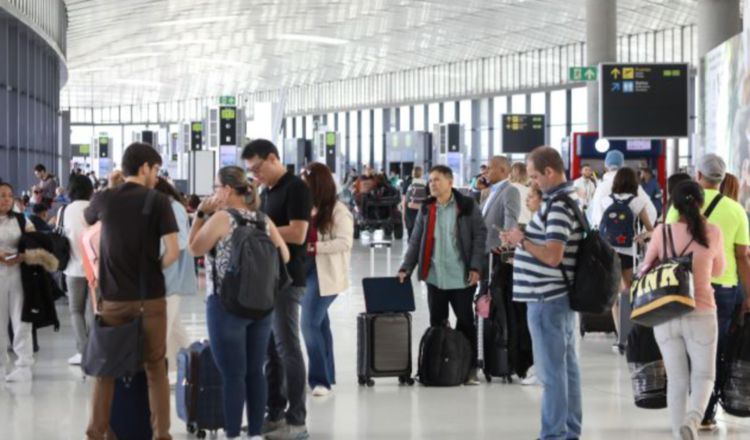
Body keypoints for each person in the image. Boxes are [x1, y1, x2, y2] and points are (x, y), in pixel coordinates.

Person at [83, 142, 180, 440]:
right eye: (156, 169)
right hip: (149, 300)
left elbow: (89, 220)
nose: (157, 176)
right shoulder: (158, 201)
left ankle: (95, 434)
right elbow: (173, 251)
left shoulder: (104, 199)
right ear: (144, 168)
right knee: (155, 371)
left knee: (106, 372)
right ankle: (161, 435)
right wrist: (152, 270)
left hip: (112, 301)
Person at [188, 166, 289, 440]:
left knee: (233, 374)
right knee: (255, 371)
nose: (214, 192)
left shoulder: (222, 218)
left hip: (226, 305)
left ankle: (233, 434)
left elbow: (194, 248)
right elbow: (286, 255)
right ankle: (254, 433)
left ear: (227, 190)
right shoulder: (262, 219)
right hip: (262, 305)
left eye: (216, 186)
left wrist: (199, 214)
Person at [500, 146, 583, 440]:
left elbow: (552, 255)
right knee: (566, 369)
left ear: (550, 172)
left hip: (547, 299)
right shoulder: (561, 200)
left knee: (551, 374)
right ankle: (568, 430)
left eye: (535, 176)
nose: (532, 182)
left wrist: (522, 241)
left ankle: (553, 434)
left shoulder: (558, 205)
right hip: (553, 298)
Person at [663, 155, 750, 431]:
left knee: (683, 354)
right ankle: (705, 413)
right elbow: (743, 257)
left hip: (682, 287)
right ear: (722, 179)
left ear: (698, 175)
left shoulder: (677, 208)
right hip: (722, 290)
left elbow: (667, 246)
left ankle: (686, 415)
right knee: (713, 352)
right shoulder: (736, 210)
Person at [640, 180, 725, 439]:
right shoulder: (713, 232)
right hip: (701, 311)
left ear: (673, 204)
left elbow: (645, 269)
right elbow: (719, 271)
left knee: (676, 380)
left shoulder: (662, 233)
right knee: (704, 375)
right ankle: (693, 419)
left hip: (666, 312)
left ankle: (680, 434)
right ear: (701, 202)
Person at [242, 139, 312, 440]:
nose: (256, 176)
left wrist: (257, 227)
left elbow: (298, 233)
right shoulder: (268, 191)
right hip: (268, 280)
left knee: (288, 348)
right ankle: (275, 413)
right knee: (271, 351)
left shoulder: (296, 188)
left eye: (258, 168)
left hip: (288, 280)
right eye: (251, 172)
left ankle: (297, 422)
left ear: (273, 158)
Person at [398, 165, 487, 385]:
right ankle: (438, 365)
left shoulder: (467, 205)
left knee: (465, 321)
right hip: (435, 276)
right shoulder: (427, 208)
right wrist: (406, 268)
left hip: (461, 276)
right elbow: (416, 240)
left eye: (437, 180)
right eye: (430, 180)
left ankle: (469, 369)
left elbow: (479, 236)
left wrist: (476, 267)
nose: (433, 184)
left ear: (450, 181)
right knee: (437, 321)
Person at [300, 163, 353, 397]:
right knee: (320, 325)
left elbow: (345, 242)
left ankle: (319, 380)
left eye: (306, 181)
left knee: (308, 324)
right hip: (303, 271)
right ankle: (328, 374)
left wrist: (314, 247)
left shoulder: (338, 210)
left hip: (325, 274)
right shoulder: (303, 207)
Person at [601, 167, 654, 347]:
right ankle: (632, 334)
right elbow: (650, 229)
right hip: (627, 252)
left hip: (609, 252)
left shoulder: (606, 201)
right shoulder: (637, 202)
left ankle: (620, 338)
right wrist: (641, 237)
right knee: (629, 292)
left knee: (615, 296)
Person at [154, 177, 197, 383]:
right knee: (174, 330)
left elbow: (179, 243)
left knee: (162, 329)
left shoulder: (173, 208)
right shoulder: (169, 207)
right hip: (167, 277)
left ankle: (163, 375)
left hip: (169, 277)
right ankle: (195, 369)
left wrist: (156, 258)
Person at [0, 182, 36, 382]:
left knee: (21, 320)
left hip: (19, 275)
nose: (5, 199)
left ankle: (24, 365)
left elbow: (35, 242)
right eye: (1, 195)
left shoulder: (22, 220)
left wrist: (25, 255)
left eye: (8, 195)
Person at [61, 175, 95, 366]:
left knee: (76, 310)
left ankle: (82, 352)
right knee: (92, 309)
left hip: (72, 268)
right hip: (94, 268)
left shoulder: (65, 210)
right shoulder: (93, 209)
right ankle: (93, 349)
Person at [588, 150, 657, 228]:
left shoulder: (601, 187)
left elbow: (596, 216)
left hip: (605, 237)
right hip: (629, 237)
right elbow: (652, 212)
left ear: (606, 166)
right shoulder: (634, 186)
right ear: (622, 165)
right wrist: (643, 234)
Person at [481, 156, 520, 253]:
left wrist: (505, 248)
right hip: (481, 250)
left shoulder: (510, 191)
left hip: (495, 253)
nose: (486, 171)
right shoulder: (489, 192)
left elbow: (510, 222)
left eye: (489, 168)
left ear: (502, 170)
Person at [403, 166, 428, 238]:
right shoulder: (426, 184)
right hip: (422, 209)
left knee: (410, 231)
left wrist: (403, 213)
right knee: (421, 231)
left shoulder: (408, 183)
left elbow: (404, 200)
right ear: (421, 173)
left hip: (410, 209)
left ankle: (411, 246)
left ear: (412, 173)